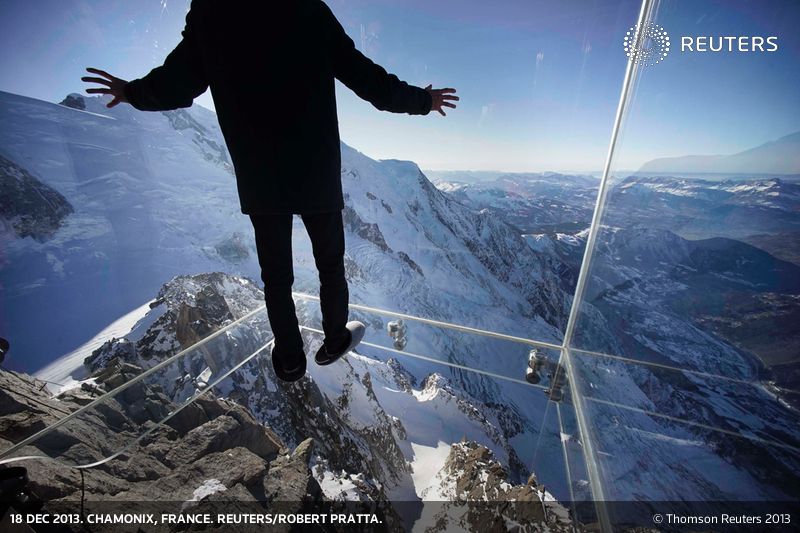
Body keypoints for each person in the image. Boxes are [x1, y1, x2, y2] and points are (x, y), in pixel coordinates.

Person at [82, 0, 458, 383]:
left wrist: (132, 92)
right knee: (330, 263)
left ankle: (291, 358)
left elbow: (176, 83)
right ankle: (333, 339)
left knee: (276, 275)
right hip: (316, 167)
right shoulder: (308, 9)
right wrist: (423, 101)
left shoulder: (213, 13)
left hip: (261, 173)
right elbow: (369, 81)